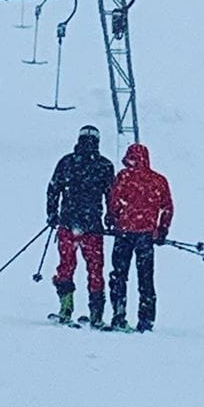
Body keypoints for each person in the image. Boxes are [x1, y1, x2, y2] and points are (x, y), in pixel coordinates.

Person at [46, 125, 115, 327]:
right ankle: (96, 314)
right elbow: (111, 196)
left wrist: (52, 213)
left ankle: (66, 308)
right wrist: (111, 219)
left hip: (68, 223)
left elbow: (53, 188)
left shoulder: (67, 162)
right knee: (95, 269)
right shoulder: (104, 165)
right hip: (93, 226)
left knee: (66, 266)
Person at [106, 143, 173, 332]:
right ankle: (146, 320)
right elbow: (167, 207)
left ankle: (119, 315)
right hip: (146, 236)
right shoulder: (159, 180)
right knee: (146, 279)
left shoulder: (123, 177)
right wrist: (162, 230)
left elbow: (114, 202)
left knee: (119, 275)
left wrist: (112, 219)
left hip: (124, 234)